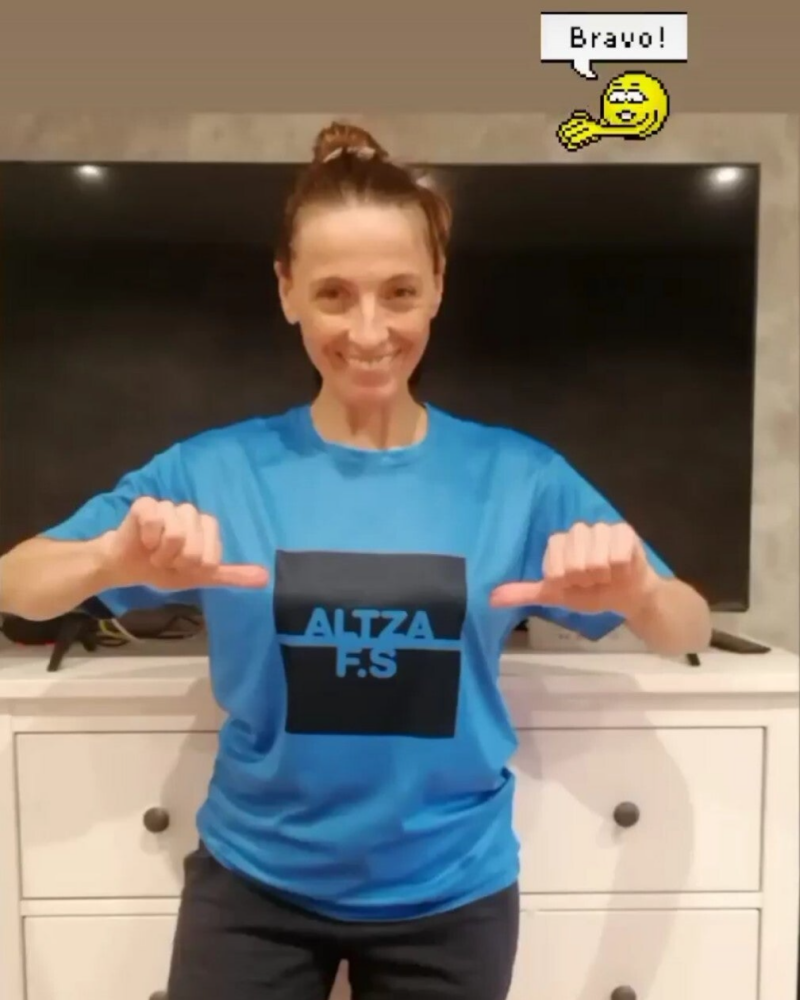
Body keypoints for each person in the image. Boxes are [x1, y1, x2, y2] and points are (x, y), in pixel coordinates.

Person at [0, 121, 712, 1000]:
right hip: (253, 889)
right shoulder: (214, 470)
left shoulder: (519, 476)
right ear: (286, 290)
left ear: (438, 288)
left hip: (453, 894)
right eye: (334, 294)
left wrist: (640, 592)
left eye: (399, 292)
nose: (369, 330)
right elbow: (18, 584)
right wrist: (111, 559)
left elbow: (688, 626)